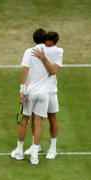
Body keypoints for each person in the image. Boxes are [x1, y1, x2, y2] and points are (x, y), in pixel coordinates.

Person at [11, 28, 61, 165]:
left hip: (31, 92)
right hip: (44, 94)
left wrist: (22, 91)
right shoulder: (54, 51)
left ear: (33, 39)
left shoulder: (30, 52)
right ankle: (34, 155)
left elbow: (25, 70)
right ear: (45, 40)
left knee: (24, 121)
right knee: (38, 121)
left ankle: (19, 152)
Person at [34, 31, 63, 159]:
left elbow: (53, 71)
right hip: (38, 90)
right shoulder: (43, 50)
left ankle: (53, 148)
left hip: (51, 91)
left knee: (52, 118)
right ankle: (36, 146)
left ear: (53, 43)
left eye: (49, 43)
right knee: (35, 119)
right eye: (45, 42)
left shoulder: (58, 52)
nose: (46, 44)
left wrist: (44, 58)